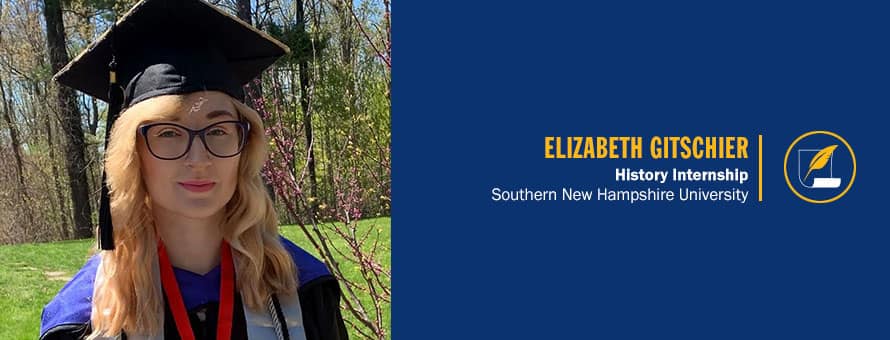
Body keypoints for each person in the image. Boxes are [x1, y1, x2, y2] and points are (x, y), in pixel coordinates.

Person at [39, 0, 348, 339]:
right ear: (132, 154)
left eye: (218, 131)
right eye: (168, 133)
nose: (199, 158)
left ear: (244, 147)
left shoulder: (302, 289)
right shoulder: (85, 317)